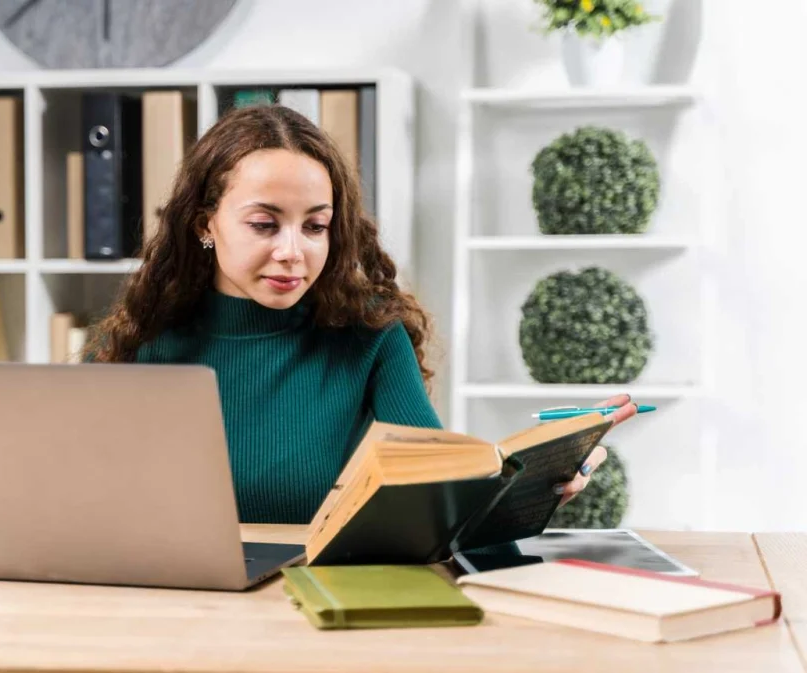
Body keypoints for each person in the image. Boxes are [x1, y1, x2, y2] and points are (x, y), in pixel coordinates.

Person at [83, 104, 636, 524]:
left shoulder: (367, 332)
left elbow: (436, 496)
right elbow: (88, 506)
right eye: (264, 223)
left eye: (315, 226)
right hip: (171, 606)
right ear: (206, 224)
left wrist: (535, 478)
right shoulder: (141, 343)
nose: (293, 252)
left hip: (310, 604)